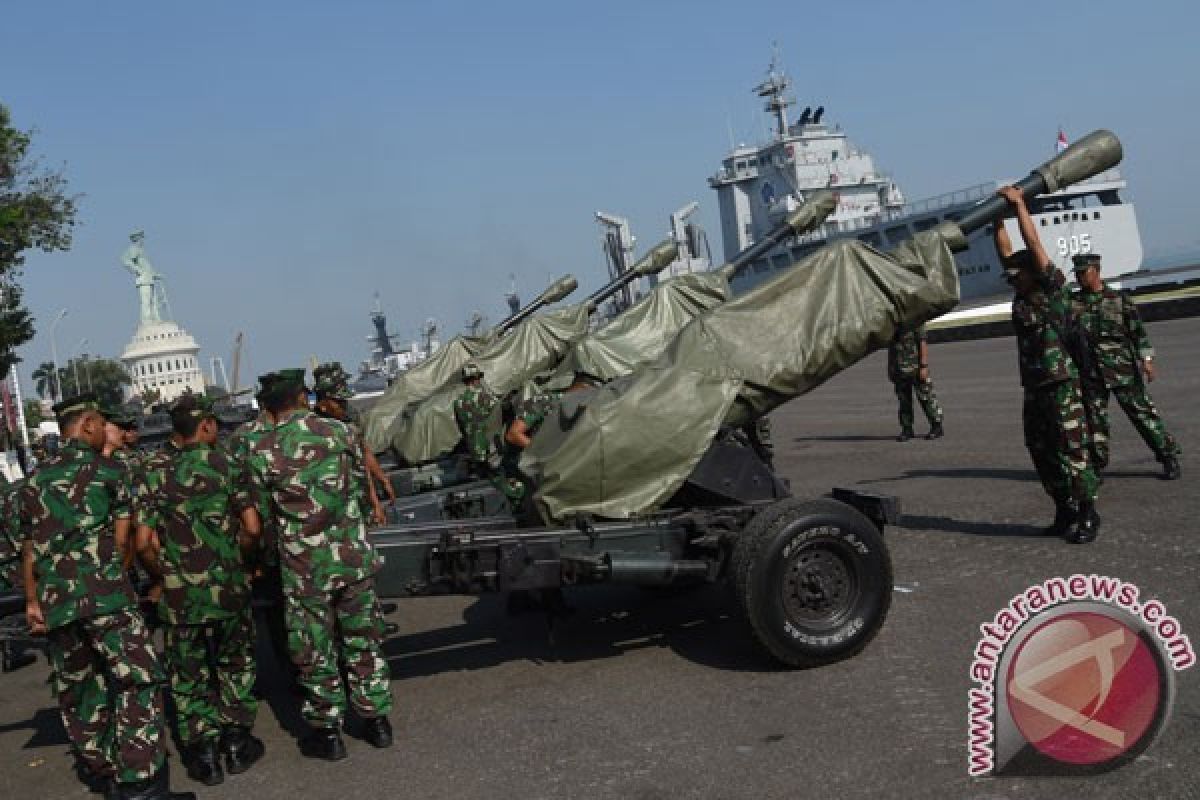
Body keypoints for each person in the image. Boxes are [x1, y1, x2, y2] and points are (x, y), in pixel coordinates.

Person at [20, 393, 194, 800]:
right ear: (87, 426)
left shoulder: (32, 483)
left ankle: (102, 771)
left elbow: (28, 549)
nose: (104, 432)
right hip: (105, 597)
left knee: (81, 687)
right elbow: (121, 543)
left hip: (56, 602)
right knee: (137, 681)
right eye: (100, 424)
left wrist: (32, 602)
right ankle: (141, 782)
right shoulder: (111, 471)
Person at [246, 369, 393, 760]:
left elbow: (259, 519)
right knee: (363, 639)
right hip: (351, 558)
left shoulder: (262, 449)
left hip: (304, 566)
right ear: (301, 396)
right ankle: (377, 721)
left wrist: (264, 558)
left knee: (314, 649)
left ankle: (328, 733)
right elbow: (362, 487)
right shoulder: (340, 432)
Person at [134, 393, 265, 786]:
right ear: (206, 425)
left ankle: (203, 756)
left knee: (187, 674)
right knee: (235, 662)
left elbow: (142, 544)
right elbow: (253, 528)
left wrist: (164, 575)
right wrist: (239, 562)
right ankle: (238, 742)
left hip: (180, 594)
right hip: (228, 586)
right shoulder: (228, 463)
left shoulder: (153, 472)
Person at [994, 187, 1100, 543]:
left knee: (1072, 449)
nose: (1012, 276)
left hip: (1061, 384)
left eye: (1018, 273)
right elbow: (1006, 251)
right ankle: (1063, 508)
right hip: (1034, 387)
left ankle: (1088, 512)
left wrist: (1020, 206)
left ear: (1032, 273)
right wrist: (996, 218)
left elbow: (1034, 245)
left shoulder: (1052, 290)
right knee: (1040, 449)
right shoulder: (1021, 297)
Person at [1070, 253, 1182, 480]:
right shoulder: (1073, 304)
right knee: (1094, 422)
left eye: (1084, 272)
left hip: (1123, 370)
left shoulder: (1119, 300)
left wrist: (1147, 361)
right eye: (1078, 273)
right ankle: (1096, 467)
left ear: (1096, 270)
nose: (1080, 277)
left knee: (1143, 415)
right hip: (1091, 373)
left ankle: (1168, 456)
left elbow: (1138, 333)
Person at [313, 362, 393, 523]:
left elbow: (363, 452)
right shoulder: (314, 429)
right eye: (338, 402)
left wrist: (383, 480)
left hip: (358, 495)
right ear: (323, 404)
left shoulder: (348, 417)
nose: (343, 407)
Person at [887, 324, 945, 441]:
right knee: (904, 401)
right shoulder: (893, 322)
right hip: (899, 369)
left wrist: (924, 366)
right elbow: (891, 349)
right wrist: (891, 369)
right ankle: (907, 429)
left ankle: (936, 426)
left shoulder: (915, 318)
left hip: (916, 367)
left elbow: (922, 342)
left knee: (925, 397)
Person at [452, 363, 499, 475]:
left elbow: (461, 427)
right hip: (490, 448)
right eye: (478, 378)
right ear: (474, 379)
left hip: (473, 448)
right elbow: (499, 414)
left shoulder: (458, 402)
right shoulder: (485, 397)